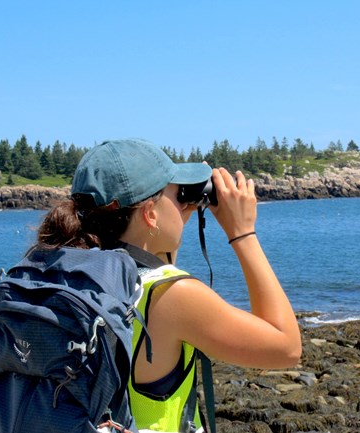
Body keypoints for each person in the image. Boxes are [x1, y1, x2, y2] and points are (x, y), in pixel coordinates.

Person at [34, 138, 301, 433]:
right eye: (179, 196)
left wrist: (170, 215)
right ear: (150, 213)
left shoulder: (61, 275)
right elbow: (286, 348)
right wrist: (243, 233)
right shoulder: (170, 295)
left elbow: (144, 260)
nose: (187, 203)